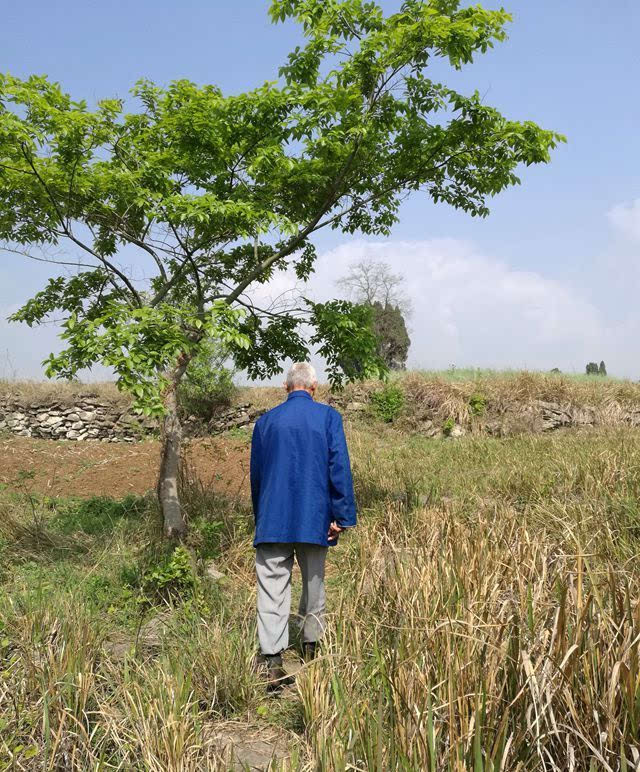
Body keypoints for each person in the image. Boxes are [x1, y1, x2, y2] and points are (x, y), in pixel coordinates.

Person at [250, 361, 357, 692]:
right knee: (315, 585)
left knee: (272, 588)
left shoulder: (265, 423)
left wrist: (262, 516)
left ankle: (272, 663)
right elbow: (338, 467)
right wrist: (341, 515)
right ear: (314, 388)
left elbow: (257, 476)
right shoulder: (328, 418)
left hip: (273, 518)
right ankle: (312, 652)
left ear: (285, 387)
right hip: (315, 518)